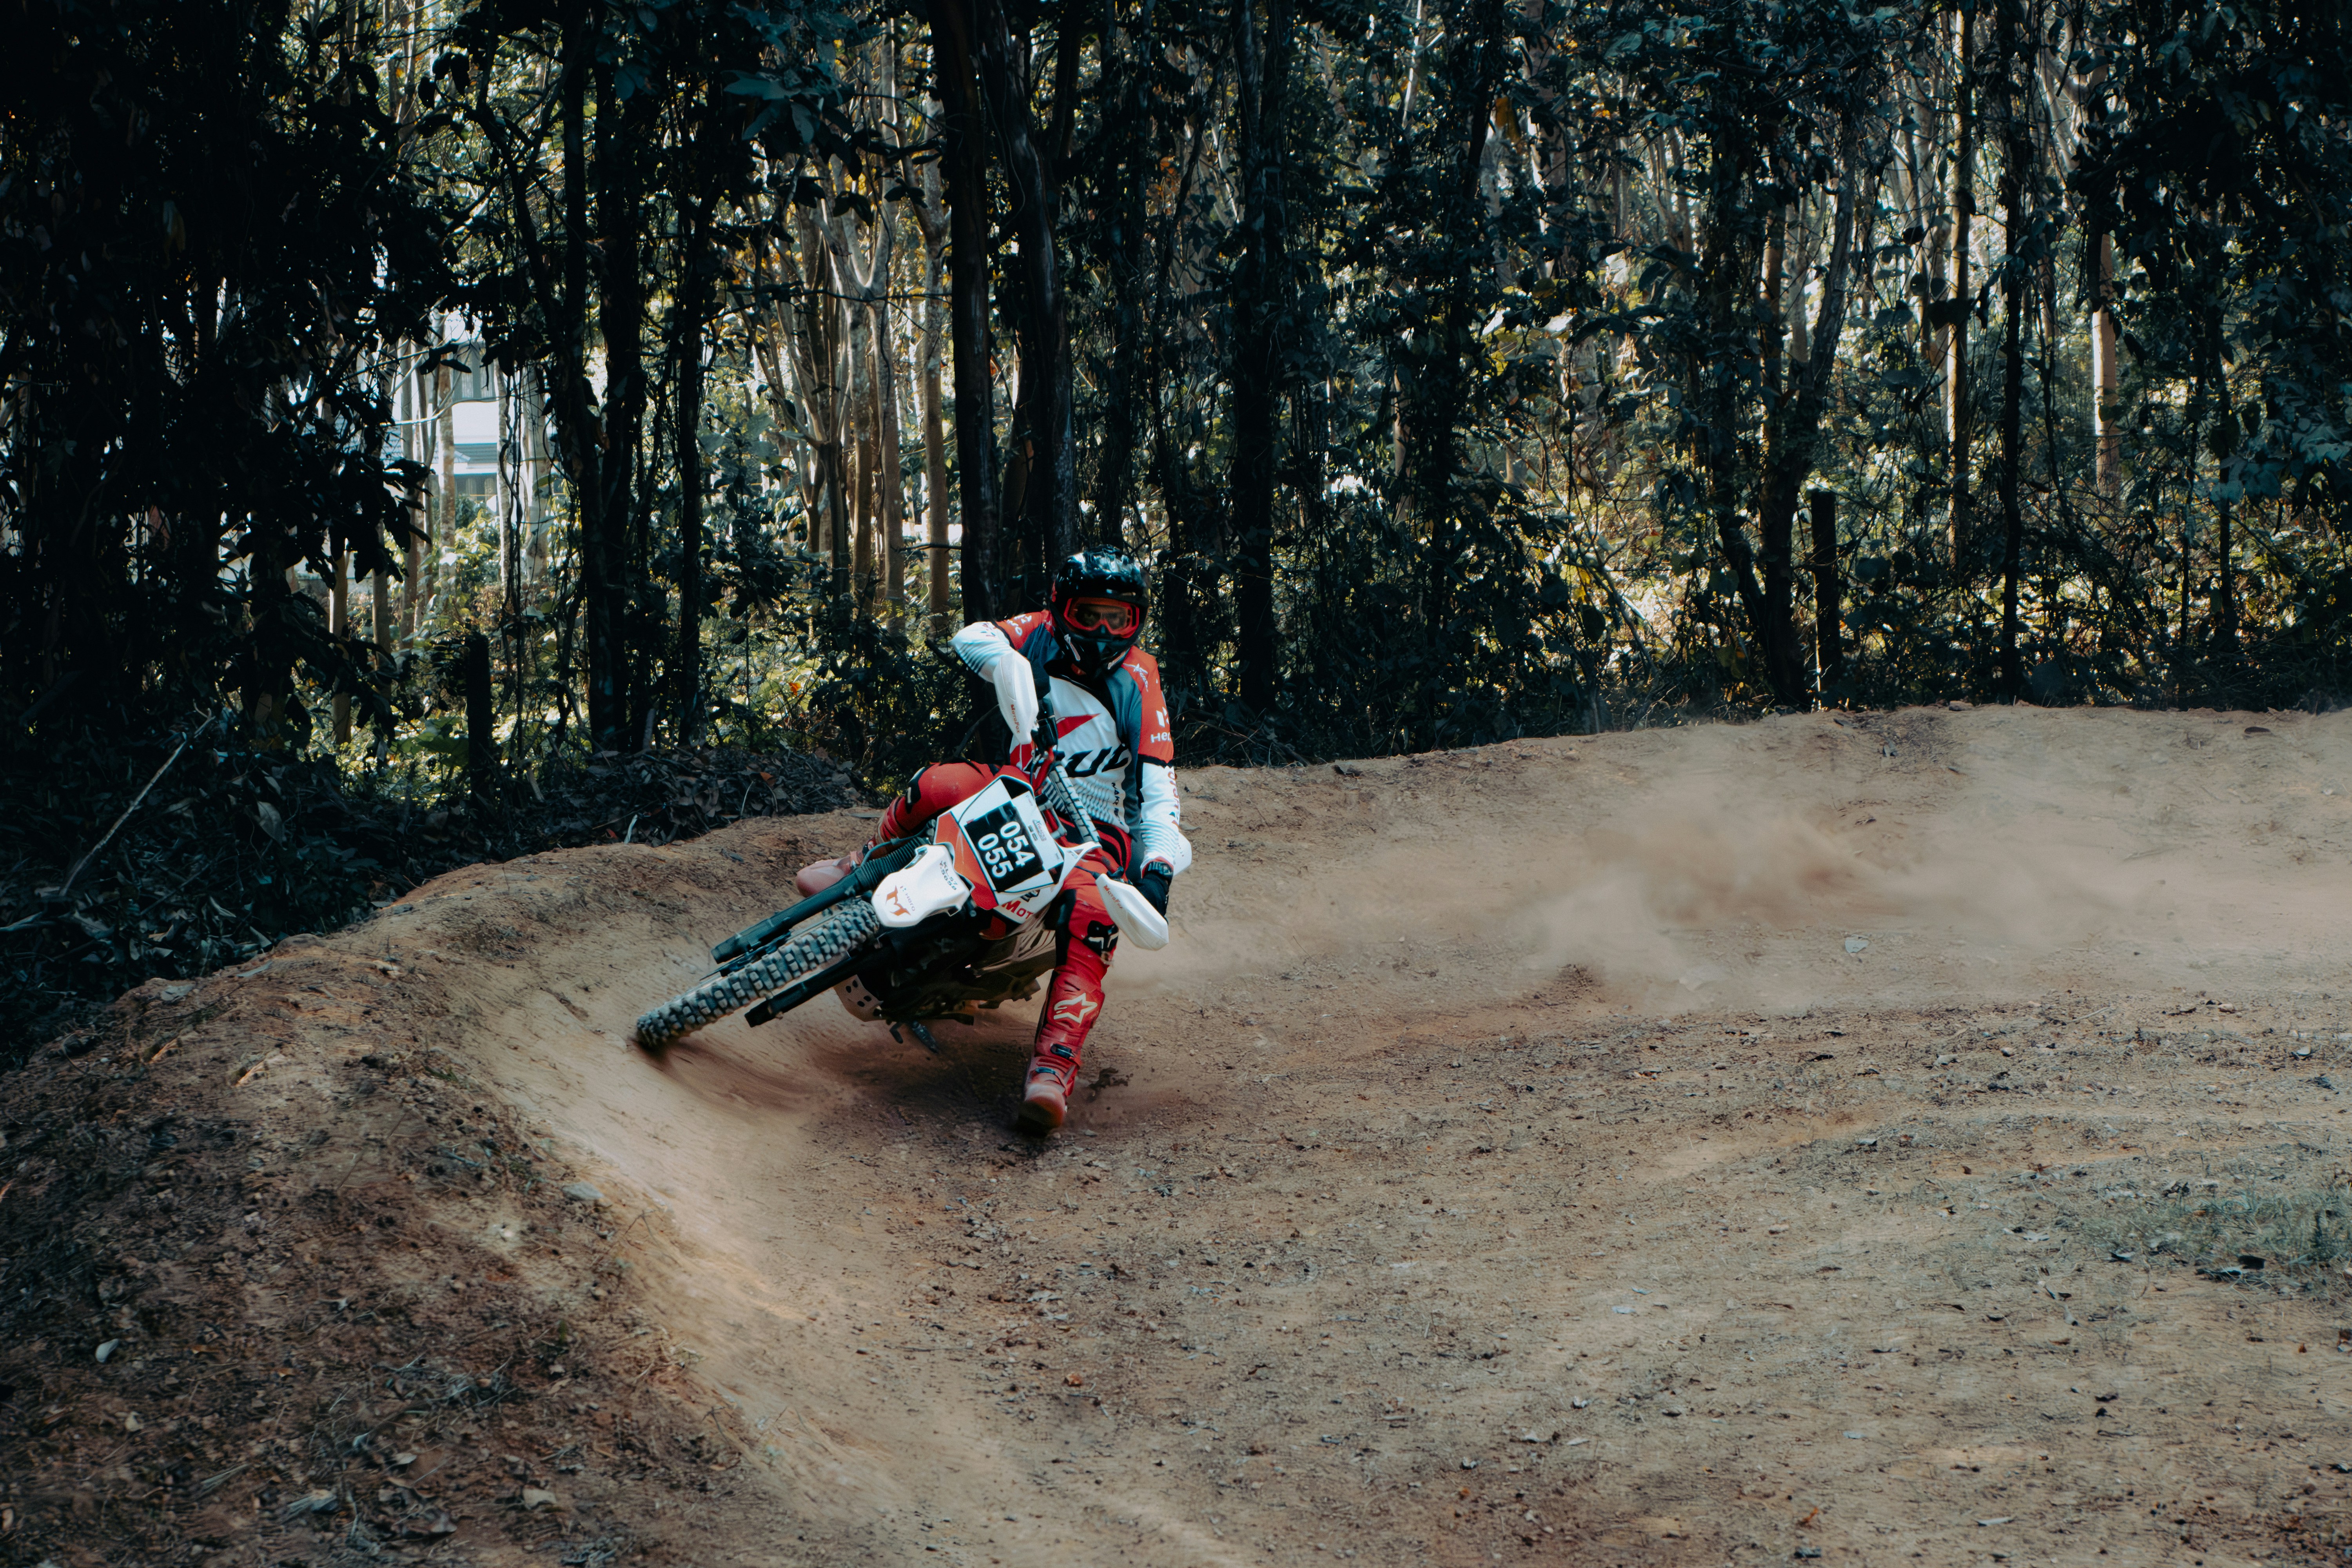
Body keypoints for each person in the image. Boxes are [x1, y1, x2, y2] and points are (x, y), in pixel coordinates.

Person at [801, 548, 1193, 1134]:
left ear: (1138, 620)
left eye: (1119, 618)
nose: (1105, 631)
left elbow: (1159, 787)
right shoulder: (1035, 633)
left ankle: (1054, 1065)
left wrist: (1158, 867)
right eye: (1090, 614)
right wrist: (1008, 665)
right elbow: (972, 637)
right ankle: (860, 861)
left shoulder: (1140, 676)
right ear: (1063, 608)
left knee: (1093, 915)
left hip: (1096, 832)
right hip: (1015, 791)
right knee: (937, 782)